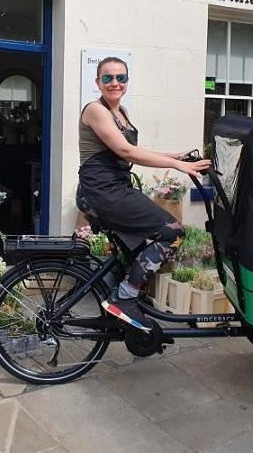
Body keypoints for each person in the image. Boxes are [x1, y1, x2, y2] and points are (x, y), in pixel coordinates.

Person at [76, 57, 210, 332]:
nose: (115, 83)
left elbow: (132, 149)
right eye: (108, 78)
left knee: (140, 249)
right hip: (102, 191)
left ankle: (126, 306)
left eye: (121, 78)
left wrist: (178, 156)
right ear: (97, 82)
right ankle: (124, 297)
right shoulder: (95, 110)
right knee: (173, 231)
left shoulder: (120, 111)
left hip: (114, 188)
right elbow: (126, 152)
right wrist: (176, 165)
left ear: (127, 81)